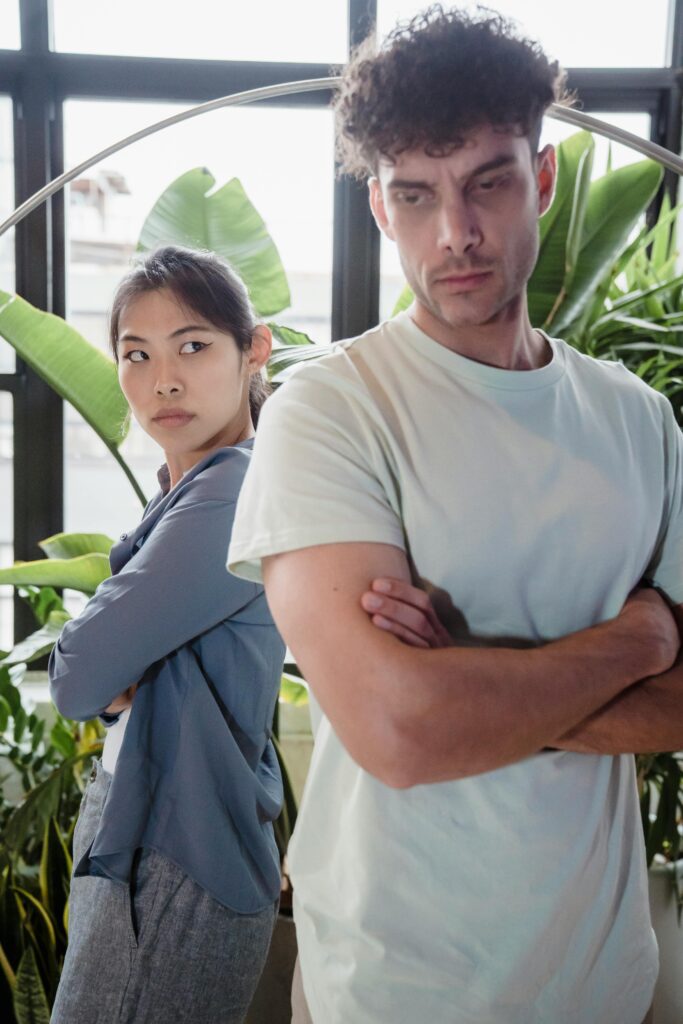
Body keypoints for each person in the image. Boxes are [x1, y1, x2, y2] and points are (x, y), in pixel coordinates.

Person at [226, 7, 683, 1024]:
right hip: (390, 990)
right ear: (378, 208)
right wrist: (634, 643)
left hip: (600, 983)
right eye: (414, 194)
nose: (455, 232)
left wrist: (465, 691)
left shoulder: (636, 419)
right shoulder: (330, 409)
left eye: (488, 182)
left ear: (543, 178)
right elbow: (397, 729)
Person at [49, 245, 283, 1024]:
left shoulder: (234, 490)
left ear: (254, 349)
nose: (164, 381)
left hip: (179, 856)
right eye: (136, 354)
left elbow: (78, 676)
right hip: (153, 834)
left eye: (193, 346)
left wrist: (115, 669)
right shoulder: (183, 493)